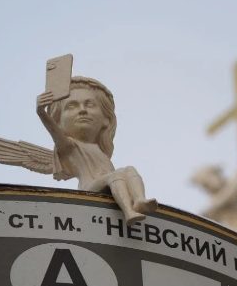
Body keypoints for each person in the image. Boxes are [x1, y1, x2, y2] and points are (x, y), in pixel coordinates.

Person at [36, 76, 157, 225]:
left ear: (106, 120)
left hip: (110, 183)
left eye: (89, 105)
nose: (82, 110)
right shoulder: (70, 147)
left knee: (129, 169)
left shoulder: (99, 149)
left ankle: (139, 201)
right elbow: (54, 132)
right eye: (72, 106)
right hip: (89, 187)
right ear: (59, 122)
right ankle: (129, 212)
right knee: (115, 175)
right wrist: (41, 112)